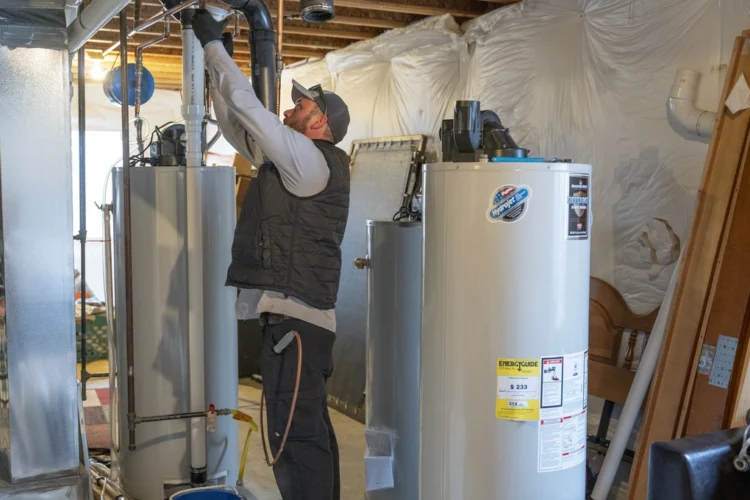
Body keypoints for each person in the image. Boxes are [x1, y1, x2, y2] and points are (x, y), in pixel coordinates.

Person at [192, 10, 351, 500]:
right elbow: (236, 116)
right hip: (292, 322)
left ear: (319, 121)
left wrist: (214, 47)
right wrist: (216, 59)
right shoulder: (292, 164)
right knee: (306, 433)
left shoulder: (311, 163)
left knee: (294, 439)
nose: (289, 110)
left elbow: (253, 110)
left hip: (298, 322)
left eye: (300, 106)